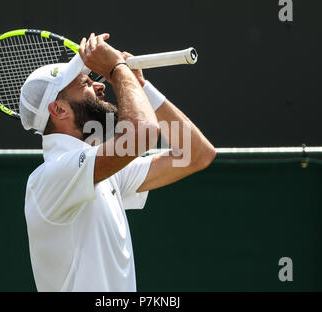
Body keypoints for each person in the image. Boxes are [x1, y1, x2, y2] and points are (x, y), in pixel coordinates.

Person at [19, 32, 216, 292]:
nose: (101, 86)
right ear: (59, 110)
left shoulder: (101, 171)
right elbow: (143, 133)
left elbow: (196, 154)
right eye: (86, 83)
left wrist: (140, 85)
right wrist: (117, 69)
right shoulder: (53, 175)